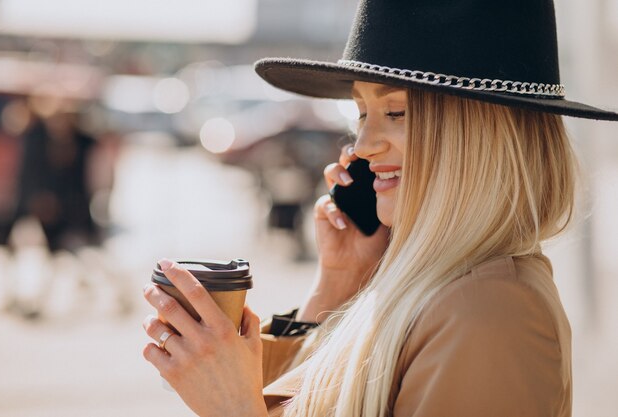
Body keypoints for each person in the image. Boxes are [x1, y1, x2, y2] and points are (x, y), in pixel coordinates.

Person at [141, 1, 618, 416]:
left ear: (484, 134)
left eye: (397, 112)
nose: (364, 145)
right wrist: (336, 285)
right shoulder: (438, 286)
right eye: (361, 113)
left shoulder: (490, 313)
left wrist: (233, 411)